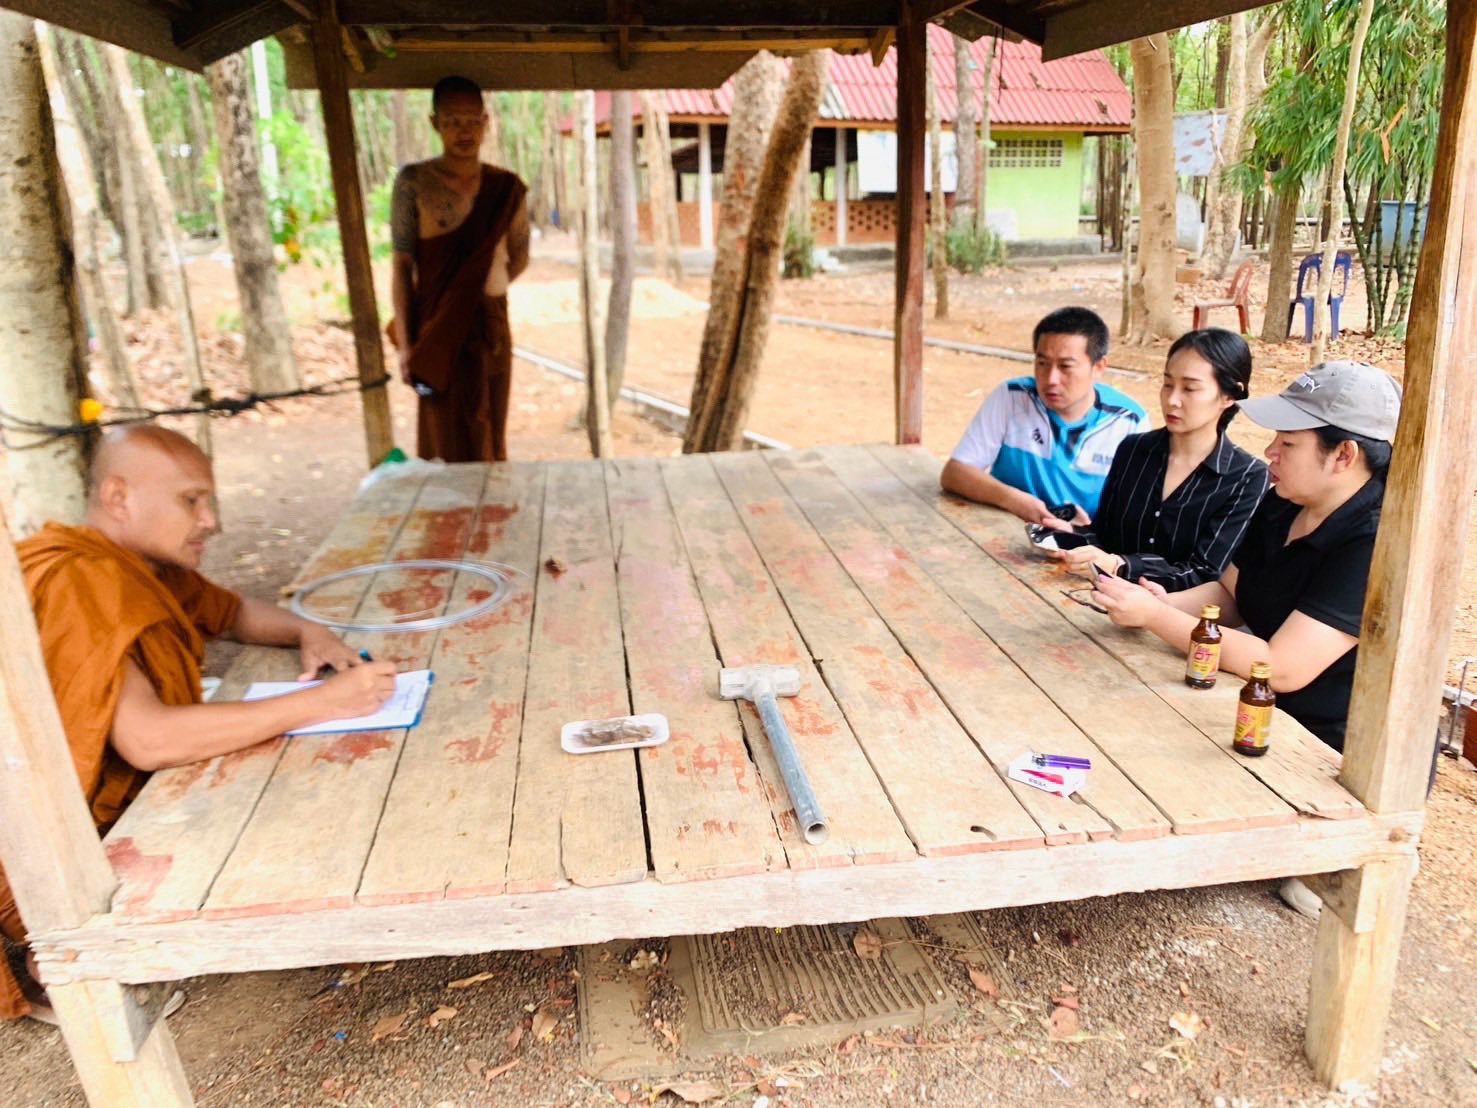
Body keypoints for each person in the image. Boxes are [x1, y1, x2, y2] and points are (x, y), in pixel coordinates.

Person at [0, 427, 398, 1023]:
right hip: (29, 852)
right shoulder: (80, 579)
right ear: (118, 498)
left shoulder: (138, 565)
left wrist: (307, 631)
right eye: (191, 500)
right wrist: (322, 703)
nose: (210, 520)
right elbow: (149, 740)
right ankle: (60, 954)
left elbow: (233, 613)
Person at [1092, 360, 1400, 748]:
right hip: (1251, 708)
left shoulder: (1373, 541)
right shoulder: (1285, 501)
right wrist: (1165, 604)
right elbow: (1230, 594)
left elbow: (1281, 668)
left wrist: (1156, 617)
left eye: (1289, 443)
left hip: (1327, 746)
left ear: (1344, 455)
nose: (1271, 451)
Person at [1045, 328, 1269, 590]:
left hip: (1173, 613)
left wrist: (1121, 565)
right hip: (1092, 599)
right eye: (1167, 384)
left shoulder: (1247, 477)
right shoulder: (1133, 449)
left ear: (1230, 396)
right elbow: (1104, 537)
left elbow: (1206, 574)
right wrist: (1072, 537)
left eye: (1190, 388)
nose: (1172, 400)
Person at [390, 75, 530, 463]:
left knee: (490, 434)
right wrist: (407, 344)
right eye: (453, 121)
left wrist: (477, 293)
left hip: (491, 328)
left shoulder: (506, 188)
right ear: (435, 122)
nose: (464, 131)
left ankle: (492, 504)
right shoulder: (413, 183)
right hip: (439, 330)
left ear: (486, 122)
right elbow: (401, 266)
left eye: (472, 121)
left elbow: (519, 257)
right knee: (444, 439)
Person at [942, 306, 1147, 524]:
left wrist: (1084, 534)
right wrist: (1015, 501)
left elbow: (1133, 514)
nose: (1051, 379)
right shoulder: (1012, 398)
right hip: (1004, 531)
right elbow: (955, 473)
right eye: (1042, 363)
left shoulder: (1128, 422)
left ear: (1098, 367)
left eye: (1065, 366)